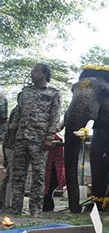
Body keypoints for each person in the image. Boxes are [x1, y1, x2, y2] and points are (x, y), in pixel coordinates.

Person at [7, 63, 61, 216]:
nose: (32, 73)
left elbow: (55, 116)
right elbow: (18, 113)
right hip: (21, 137)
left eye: (36, 71)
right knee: (18, 174)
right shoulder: (25, 92)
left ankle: (35, 210)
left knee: (38, 175)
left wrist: (50, 136)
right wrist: (11, 133)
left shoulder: (53, 93)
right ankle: (16, 209)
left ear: (44, 74)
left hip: (39, 140)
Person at [43, 133, 65, 212]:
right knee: (47, 186)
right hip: (48, 163)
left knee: (51, 185)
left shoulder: (57, 137)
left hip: (54, 164)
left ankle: (47, 205)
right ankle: (47, 205)